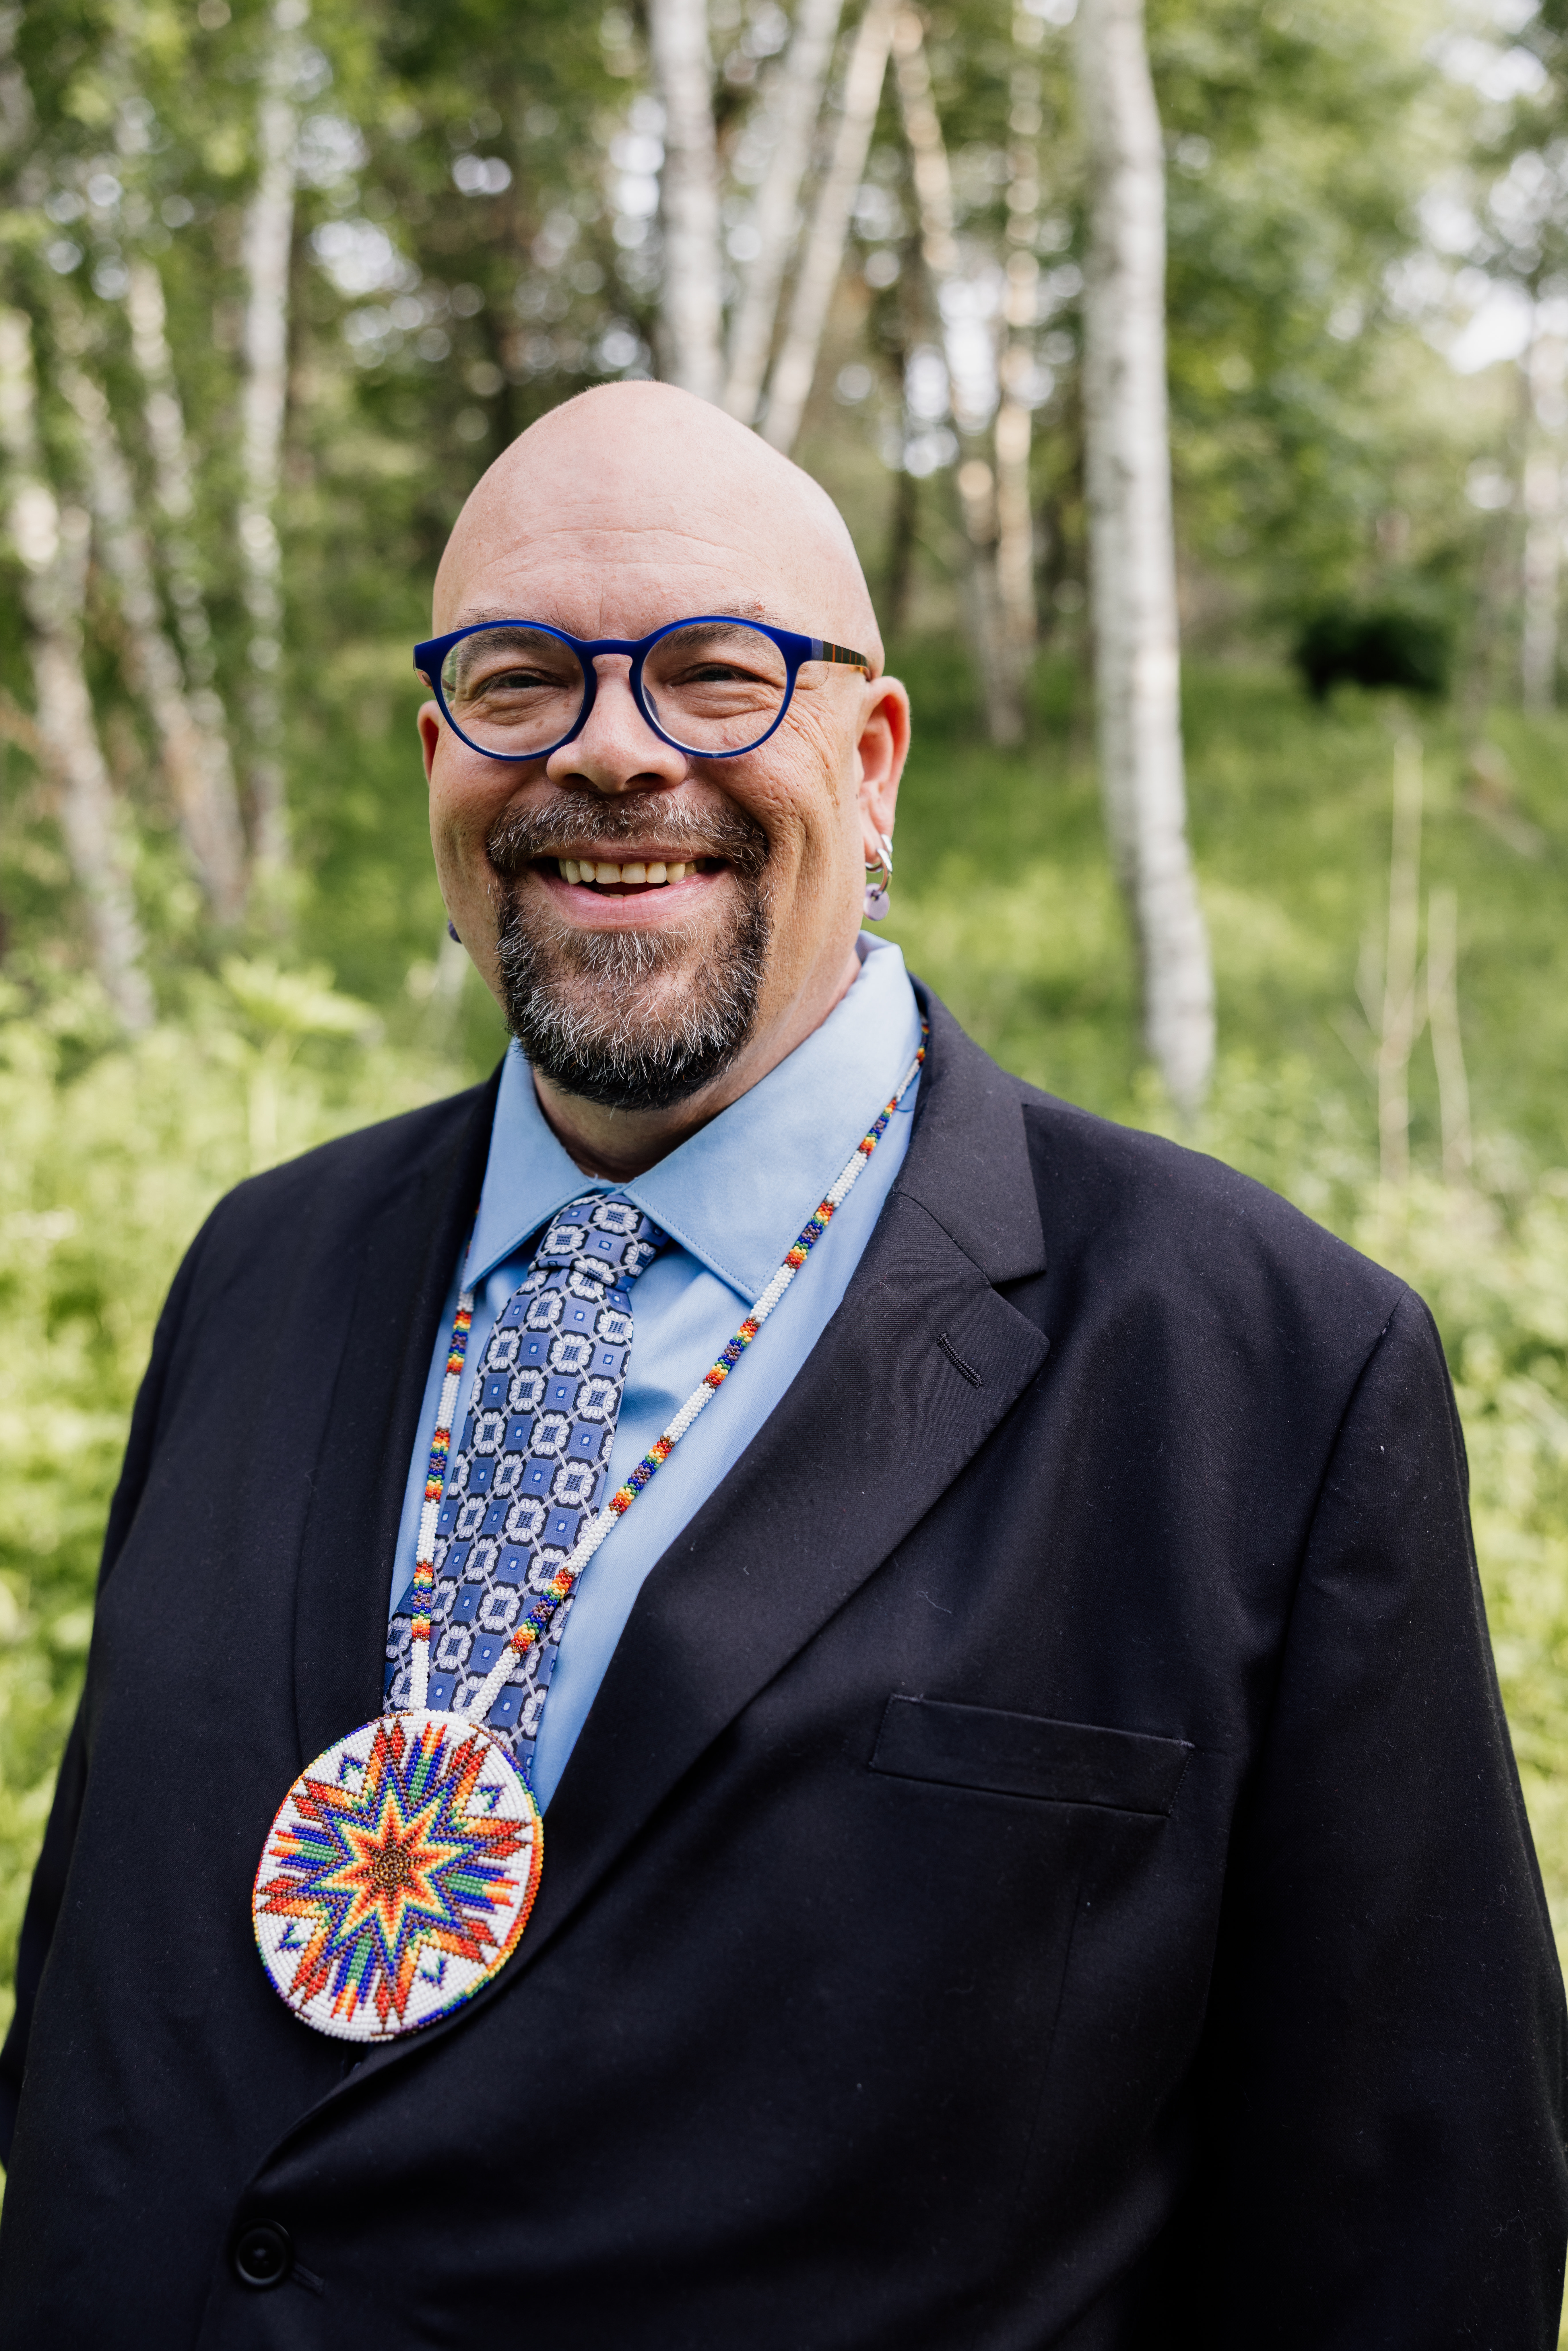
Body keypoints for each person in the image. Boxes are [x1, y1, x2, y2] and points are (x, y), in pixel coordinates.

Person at [0, 381, 1563, 2349]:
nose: (613, 749)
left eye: (718, 676)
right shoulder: (259, 1263)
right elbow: (101, 1998)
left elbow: (1410, 2241)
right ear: (435, 757)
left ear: (876, 754)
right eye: (518, 681)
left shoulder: (1261, 1366)